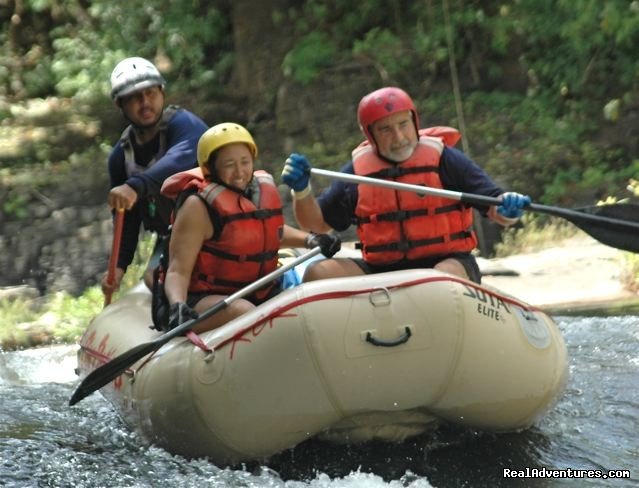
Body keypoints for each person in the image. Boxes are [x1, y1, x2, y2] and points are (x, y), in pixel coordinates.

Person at [281, 86, 531, 284]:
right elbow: (315, 224)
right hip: (383, 270)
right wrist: (302, 191)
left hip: (448, 263)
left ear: (414, 122)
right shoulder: (358, 173)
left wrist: (509, 208)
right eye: (386, 130)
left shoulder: (445, 160)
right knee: (318, 273)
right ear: (371, 135)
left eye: (403, 125)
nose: (399, 137)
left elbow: (496, 209)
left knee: (439, 277)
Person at [158, 123, 341, 333]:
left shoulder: (258, 191)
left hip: (257, 291)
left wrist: (311, 240)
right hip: (201, 299)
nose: (239, 172)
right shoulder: (197, 206)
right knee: (245, 312)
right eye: (229, 164)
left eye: (245, 162)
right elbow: (177, 271)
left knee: (297, 306)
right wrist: (177, 305)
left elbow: (272, 233)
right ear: (210, 168)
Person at [101, 56, 208, 297]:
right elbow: (125, 220)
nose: (145, 102)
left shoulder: (186, 126)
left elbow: (179, 160)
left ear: (162, 93)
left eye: (150, 93)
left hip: (216, 228)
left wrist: (135, 187)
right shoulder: (120, 158)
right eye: (135, 98)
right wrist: (118, 268)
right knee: (153, 277)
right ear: (120, 105)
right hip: (172, 237)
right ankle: (182, 320)